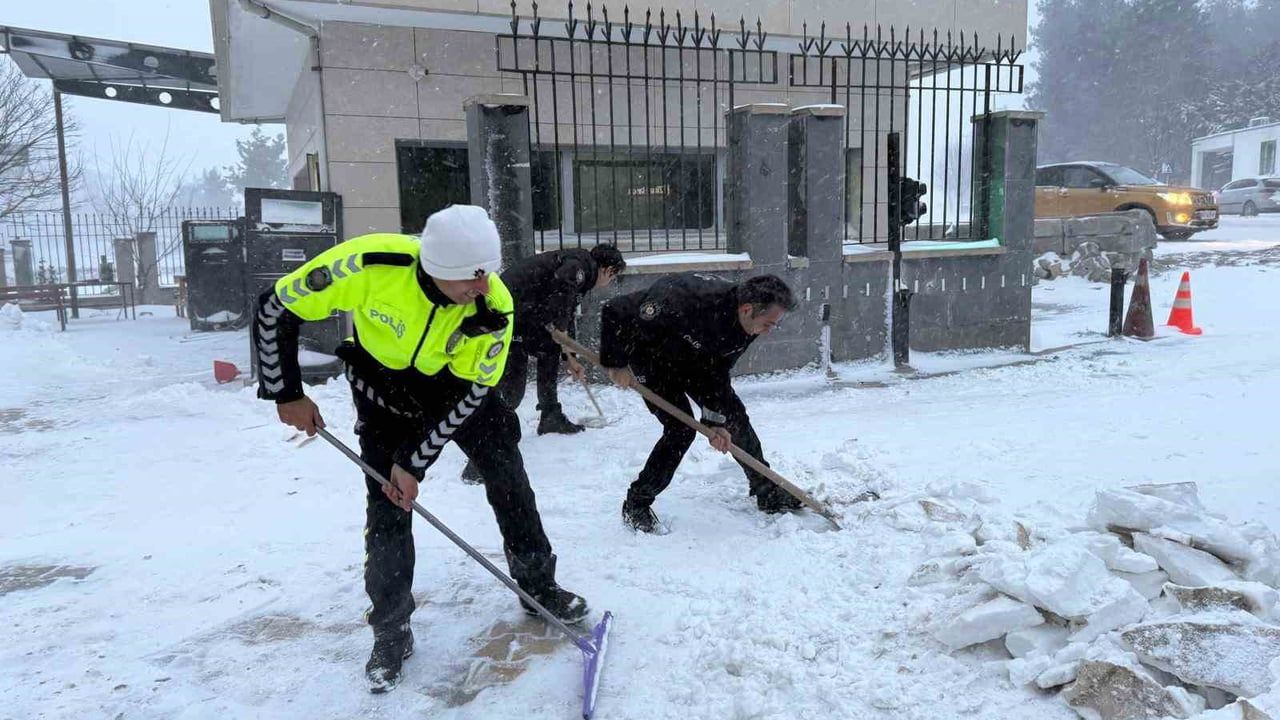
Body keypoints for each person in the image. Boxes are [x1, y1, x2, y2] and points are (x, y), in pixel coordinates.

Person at [252, 205, 588, 693]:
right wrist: (286, 391)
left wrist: (415, 461)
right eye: (471, 279)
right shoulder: (372, 264)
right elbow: (275, 306)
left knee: (507, 472)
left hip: (456, 389)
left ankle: (537, 585)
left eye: (487, 275)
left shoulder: (494, 306)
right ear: (437, 270)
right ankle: (391, 627)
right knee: (386, 503)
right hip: (381, 388)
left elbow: (472, 394)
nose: (483, 287)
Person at [598, 273, 801, 533]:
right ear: (747, 309)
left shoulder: (748, 325)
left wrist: (716, 421)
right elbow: (614, 310)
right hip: (650, 358)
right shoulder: (685, 299)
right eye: (769, 324)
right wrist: (616, 363)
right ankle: (636, 503)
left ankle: (766, 491)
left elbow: (718, 372)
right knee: (680, 430)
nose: (769, 331)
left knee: (734, 417)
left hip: (695, 363)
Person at [460, 245, 626, 482]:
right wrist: (559, 330)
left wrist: (571, 358)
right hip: (507, 313)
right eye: (614, 277)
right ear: (608, 270)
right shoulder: (579, 267)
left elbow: (566, 316)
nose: (610, 282)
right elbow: (563, 292)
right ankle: (481, 456)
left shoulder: (581, 269)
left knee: (549, 350)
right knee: (512, 387)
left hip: (524, 312)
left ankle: (550, 416)